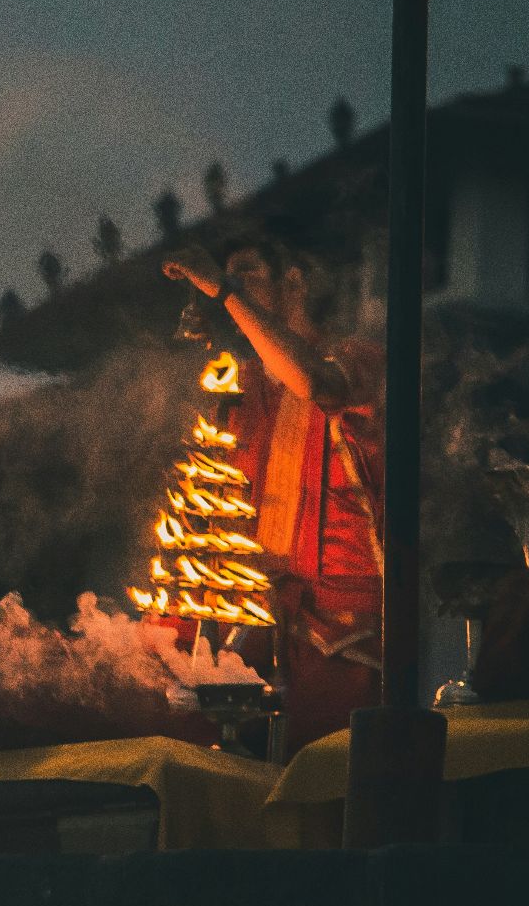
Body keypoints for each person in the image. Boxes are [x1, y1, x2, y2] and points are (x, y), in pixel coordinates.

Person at [162, 227, 384, 752]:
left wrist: (224, 291)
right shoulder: (248, 382)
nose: (234, 285)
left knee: (328, 763)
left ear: (295, 280)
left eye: (249, 273)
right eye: (231, 275)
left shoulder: (358, 358)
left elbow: (316, 383)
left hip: (341, 619)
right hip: (261, 611)